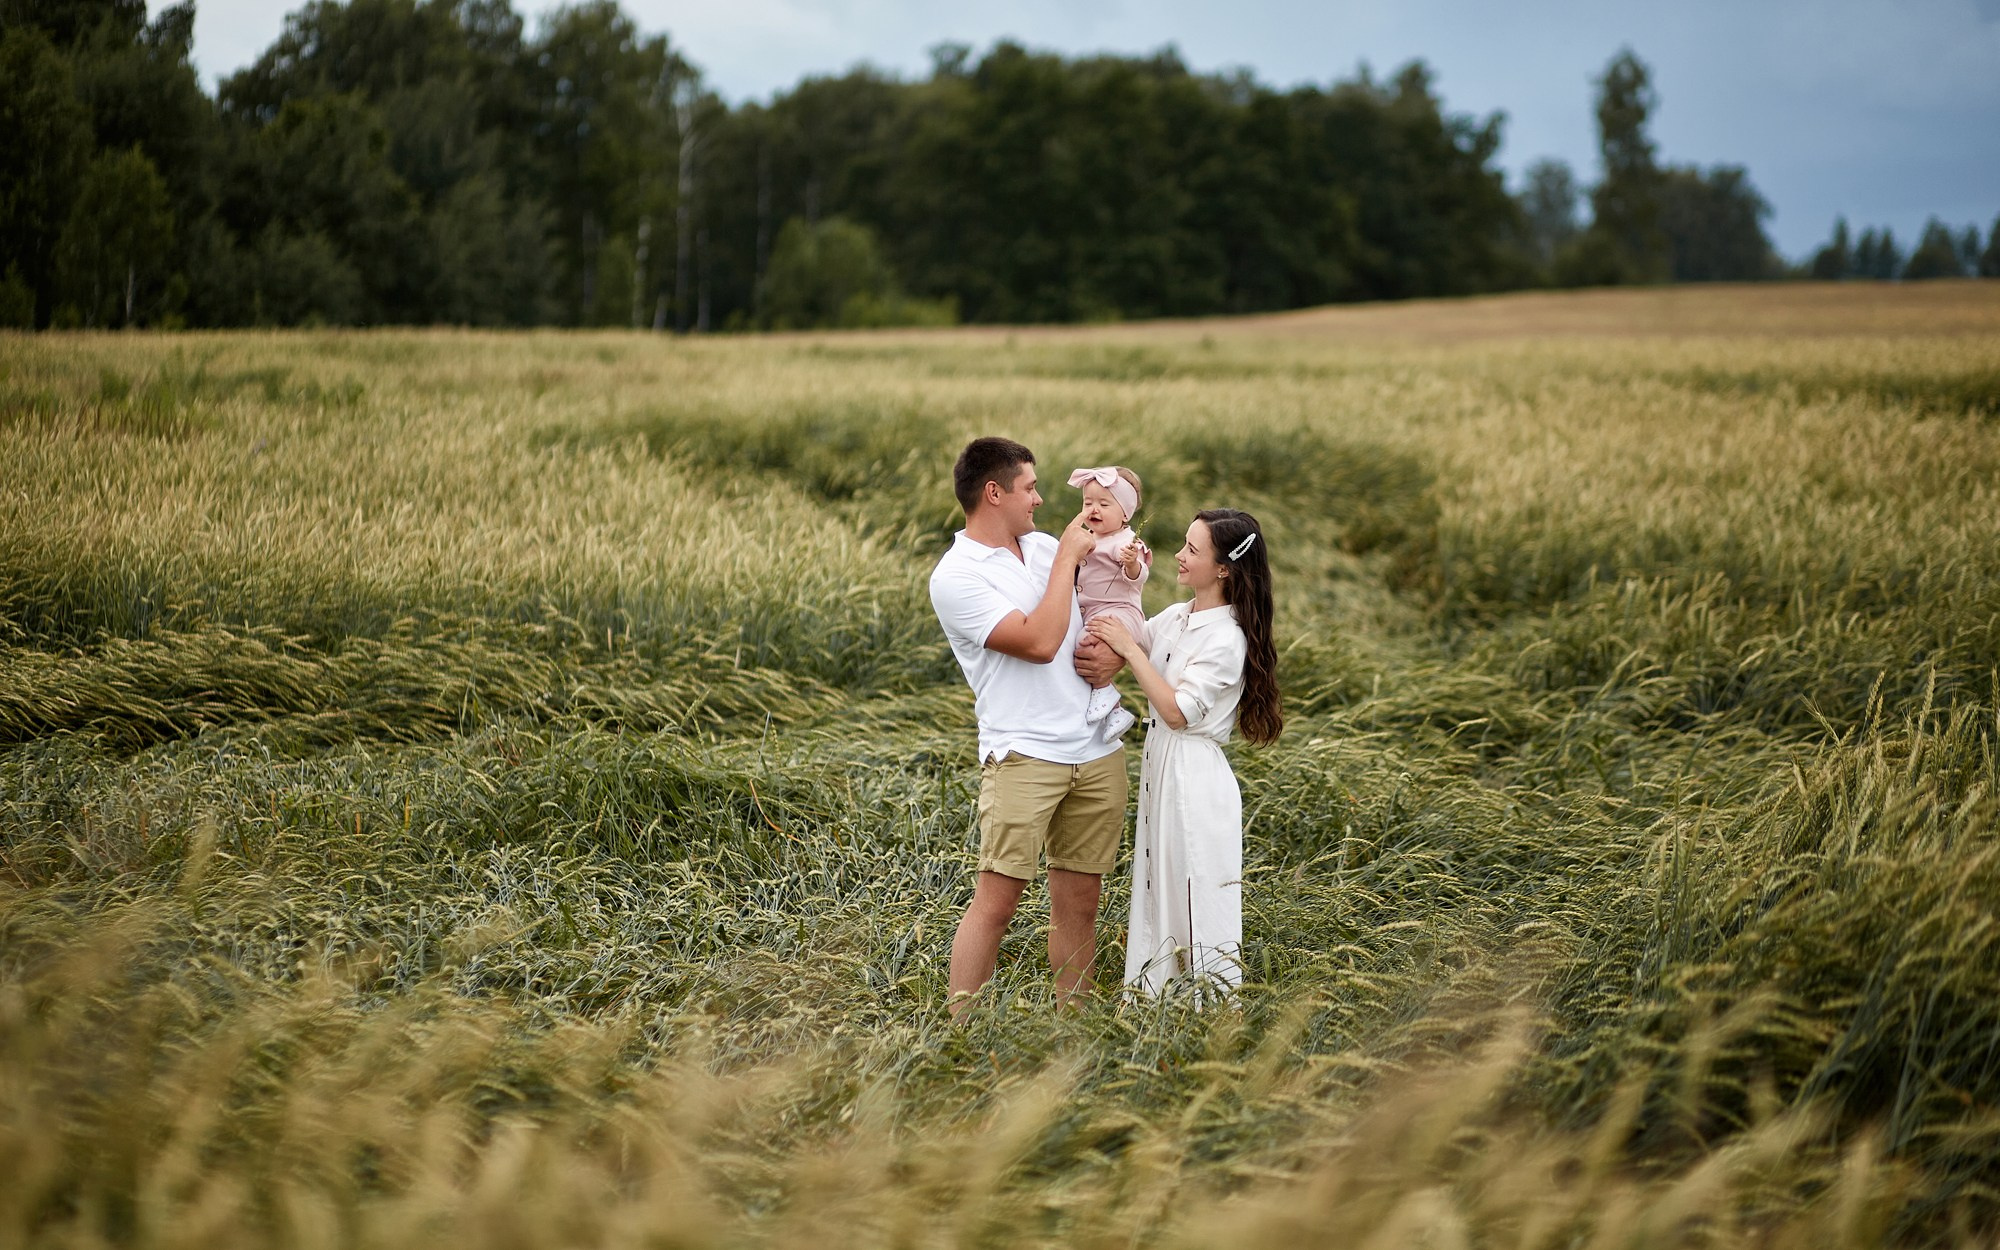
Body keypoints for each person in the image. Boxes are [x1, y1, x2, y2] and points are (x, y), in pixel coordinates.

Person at [929, 437, 1127, 1016]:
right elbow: (1039, 643)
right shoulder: (956, 577)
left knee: (1081, 904)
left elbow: (1111, 604)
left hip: (1095, 750)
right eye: (1030, 488)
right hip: (1023, 755)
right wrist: (1066, 558)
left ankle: (1077, 1027)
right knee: (997, 899)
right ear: (994, 493)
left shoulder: (1041, 548)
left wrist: (1117, 654)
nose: (1040, 500)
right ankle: (960, 1032)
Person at [1086, 508, 1282, 1001]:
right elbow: (1124, 634)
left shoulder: (1226, 637)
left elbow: (1176, 712)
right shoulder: (1178, 616)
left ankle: (1212, 1008)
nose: (1179, 555)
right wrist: (1117, 570)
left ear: (1223, 569)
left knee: (1196, 887)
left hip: (1194, 773)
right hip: (1162, 764)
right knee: (1158, 881)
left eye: (1192, 549)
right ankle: (1157, 1000)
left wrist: (1130, 652)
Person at [1065, 465, 1151, 740]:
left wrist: (1131, 564)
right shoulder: (1090, 537)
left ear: (1125, 513)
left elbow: (1138, 576)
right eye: (1087, 502)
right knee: (1083, 643)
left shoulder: (1124, 543)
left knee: (1085, 642)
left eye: (1104, 503)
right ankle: (1114, 711)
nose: (1094, 509)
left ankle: (1109, 699)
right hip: (1098, 614)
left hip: (1120, 614)